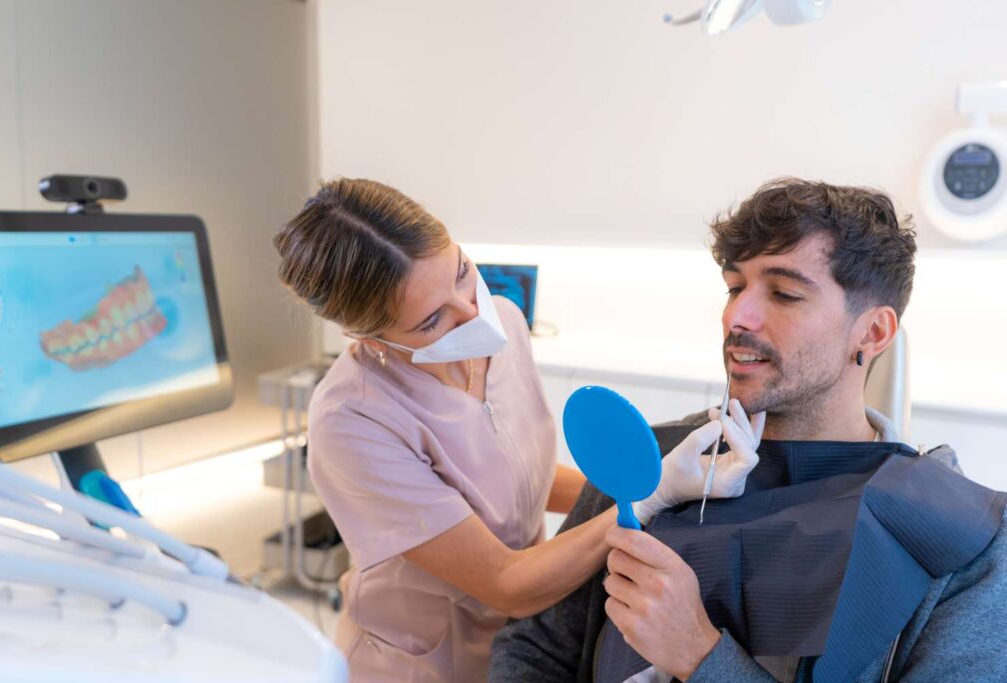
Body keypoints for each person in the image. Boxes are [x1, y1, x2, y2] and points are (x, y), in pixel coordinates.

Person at [489, 178, 1007, 683]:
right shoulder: (651, 462)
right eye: (735, 287)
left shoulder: (960, 537)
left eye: (783, 294)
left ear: (873, 332)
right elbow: (534, 647)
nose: (738, 315)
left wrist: (698, 653)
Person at [272, 178, 757, 682]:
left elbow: (523, 479)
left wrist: (660, 488)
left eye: (462, 271)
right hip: (423, 663)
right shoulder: (354, 421)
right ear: (366, 335)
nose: (472, 314)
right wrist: (648, 495)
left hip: (520, 640)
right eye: (431, 320)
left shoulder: (503, 321)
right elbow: (506, 582)